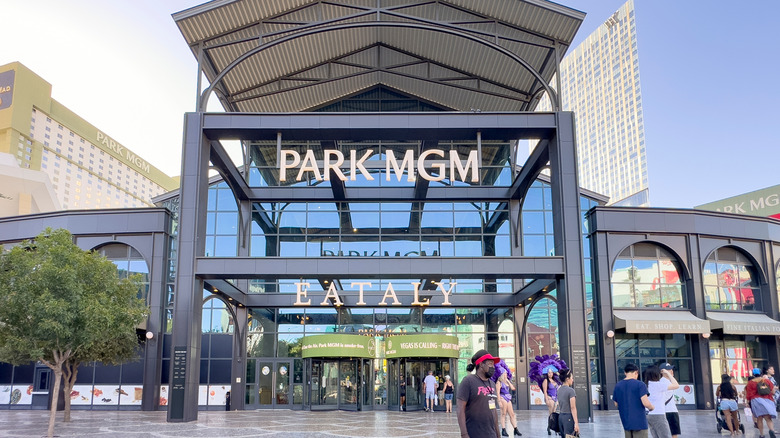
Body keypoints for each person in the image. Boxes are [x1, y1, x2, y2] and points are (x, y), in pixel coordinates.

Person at [457, 349, 502, 438]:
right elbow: (460, 409)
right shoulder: (468, 381)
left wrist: (498, 434)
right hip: (474, 434)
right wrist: (464, 434)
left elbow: (493, 410)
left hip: (491, 434)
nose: (493, 367)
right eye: (490, 364)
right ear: (481, 364)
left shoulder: (492, 384)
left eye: (493, 364)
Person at [613, 363, 654, 438]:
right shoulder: (640, 384)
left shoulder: (618, 385)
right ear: (636, 372)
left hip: (626, 422)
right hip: (639, 422)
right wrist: (652, 407)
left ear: (625, 373)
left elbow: (616, 404)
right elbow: (645, 403)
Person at [643, 365, 674, 438]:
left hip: (648, 415)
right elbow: (676, 385)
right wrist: (668, 373)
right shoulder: (658, 385)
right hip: (659, 414)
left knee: (655, 436)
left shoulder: (646, 385)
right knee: (664, 436)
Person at [746, 367, 776, 438]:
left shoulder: (750, 383)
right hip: (767, 400)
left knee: (759, 418)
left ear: (753, 374)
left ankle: (762, 434)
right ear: (761, 373)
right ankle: (771, 430)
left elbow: (749, 394)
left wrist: (748, 402)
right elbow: (773, 391)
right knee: (768, 418)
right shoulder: (766, 381)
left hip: (756, 401)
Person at [495, 367, 522, 436]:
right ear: (502, 374)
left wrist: (508, 381)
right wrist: (499, 401)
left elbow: (513, 388)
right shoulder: (499, 382)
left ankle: (515, 429)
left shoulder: (506, 381)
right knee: (503, 414)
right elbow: (497, 392)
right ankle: (503, 430)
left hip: (508, 398)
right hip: (502, 398)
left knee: (512, 414)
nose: (506, 375)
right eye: (505, 374)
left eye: (506, 374)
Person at [659, 363, 682, 438]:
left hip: (670, 410)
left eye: (671, 369)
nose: (671, 371)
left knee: (673, 433)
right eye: (668, 370)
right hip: (668, 411)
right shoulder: (663, 382)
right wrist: (669, 375)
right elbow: (676, 385)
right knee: (672, 434)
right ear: (662, 371)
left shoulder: (666, 381)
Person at [557, 369, 579, 438]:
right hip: (568, 418)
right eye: (572, 378)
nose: (573, 380)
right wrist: (576, 423)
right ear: (567, 379)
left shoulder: (559, 390)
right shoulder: (571, 391)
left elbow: (560, 405)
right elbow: (573, 407)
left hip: (561, 417)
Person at [542, 367, 560, 435]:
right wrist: (546, 399)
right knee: (551, 413)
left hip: (555, 398)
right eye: (549, 373)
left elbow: (558, 389)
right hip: (549, 398)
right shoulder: (546, 381)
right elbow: (545, 391)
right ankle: (551, 428)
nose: (550, 374)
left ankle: (550, 427)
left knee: (554, 413)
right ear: (547, 373)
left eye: (551, 372)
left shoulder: (555, 381)